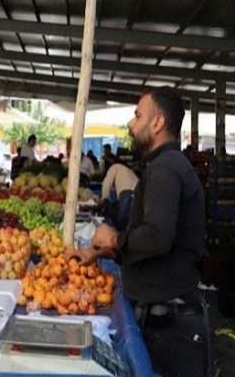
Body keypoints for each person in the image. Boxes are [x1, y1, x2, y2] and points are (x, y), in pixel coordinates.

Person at [70, 87, 209, 377]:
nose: (131, 125)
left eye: (137, 116)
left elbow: (156, 237)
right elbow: (154, 239)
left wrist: (115, 238)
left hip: (170, 328)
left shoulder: (165, 169)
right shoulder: (165, 166)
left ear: (157, 123)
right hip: (168, 318)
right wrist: (106, 251)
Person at [101, 163, 138, 231]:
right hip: (138, 195)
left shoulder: (113, 167)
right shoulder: (128, 171)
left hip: (126, 194)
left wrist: (104, 199)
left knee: (121, 227)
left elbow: (106, 184)